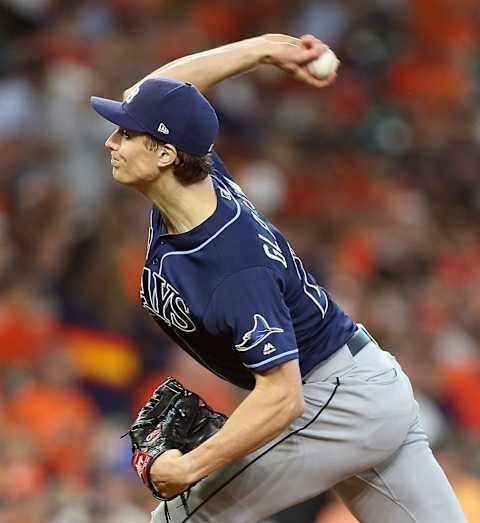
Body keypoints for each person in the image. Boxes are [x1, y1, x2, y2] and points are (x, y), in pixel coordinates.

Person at [90, 34, 467, 523]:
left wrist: (191, 467)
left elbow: (282, 396)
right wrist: (264, 49)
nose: (111, 141)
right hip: (363, 385)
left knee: (183, 518)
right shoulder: (201, 178)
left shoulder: (234, 266)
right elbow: (162, 91)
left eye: (124, 135)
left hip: (330, 399)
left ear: (164, 154)